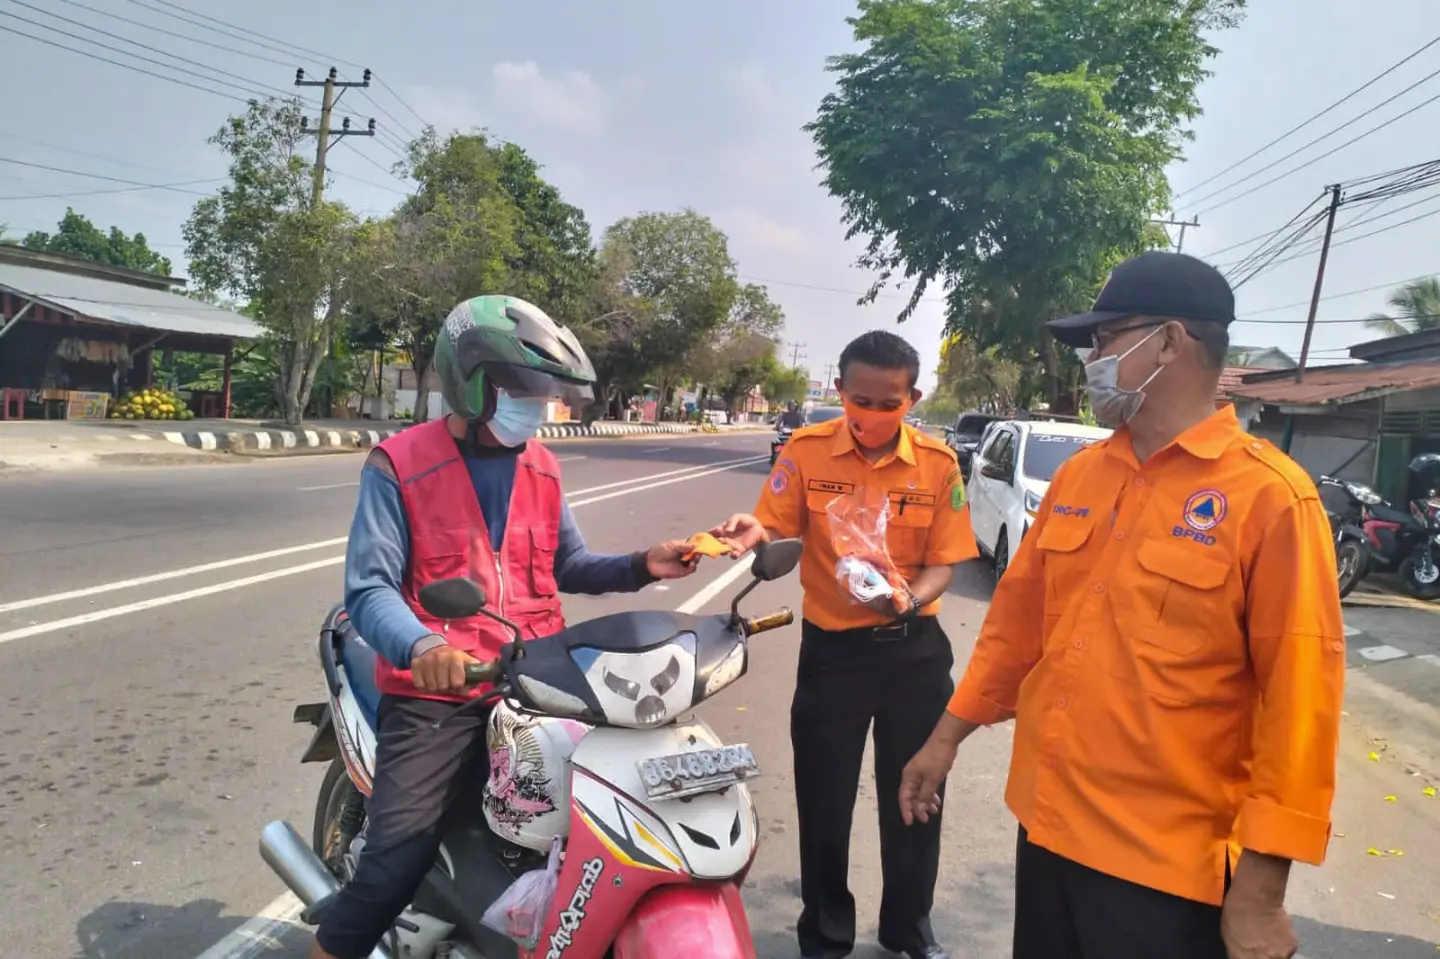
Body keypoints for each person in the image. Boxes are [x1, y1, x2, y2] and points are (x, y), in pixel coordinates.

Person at [898, 252, 1345, 959]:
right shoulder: (1083, 475)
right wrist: (946, 735)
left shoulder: (1270, 499)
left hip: (1164, 868)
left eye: (1105, 341)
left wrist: (1261, 890)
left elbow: (1301, 702)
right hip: (1048, 829)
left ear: (1169, 341)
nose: (1092, 359)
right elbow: (1016, 629)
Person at [310, 295, 698, 959]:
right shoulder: (398, 464)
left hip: (537, 681)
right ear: (473, 382)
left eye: (545, 391)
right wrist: (423, 643)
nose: (539, 404)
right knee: (393, 863)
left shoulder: (541, 464)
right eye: (525, 389)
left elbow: (567, 562)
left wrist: (644, 564)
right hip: (442, 692)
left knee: (602, 819)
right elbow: (370, 586)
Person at [711, 330, 977, 959]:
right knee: (825, 797)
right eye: (860, 400)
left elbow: (946, 562)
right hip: (835, 654)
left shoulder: (938, 465)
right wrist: (751, 532)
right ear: (839, 391)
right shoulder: (806, 451)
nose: (872, 416)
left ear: (912, 397)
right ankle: (826, 930)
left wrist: (909, 596)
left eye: (889, 404)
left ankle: (909, 923)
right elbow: (771, 523)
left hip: (915, 650)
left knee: (916, 793)